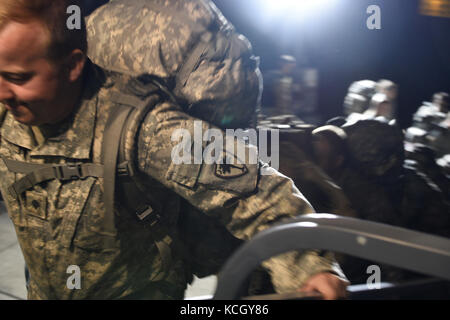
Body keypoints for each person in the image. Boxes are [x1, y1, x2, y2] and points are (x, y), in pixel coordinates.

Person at [0, 0, 348, 299]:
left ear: (74, 65)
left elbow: (254, 190)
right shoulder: (6, 117)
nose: (2, 91)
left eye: (18, 78)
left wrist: (311, 268)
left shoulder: (141, 127)